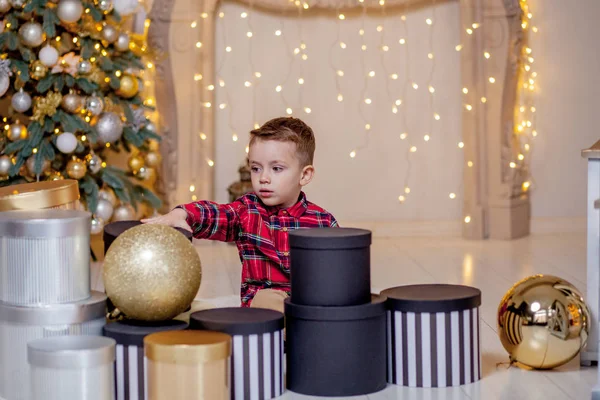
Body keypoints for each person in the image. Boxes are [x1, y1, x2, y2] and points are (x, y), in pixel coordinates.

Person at [142, 117, 338, 311]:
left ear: (304, 175)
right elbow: (215, 214)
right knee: (268, 300)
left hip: (308, 301)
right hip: (263, 306)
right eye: (255, 168)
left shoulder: (323, 221)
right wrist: (183, 214)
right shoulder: (246, 212)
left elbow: (339, 268)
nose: (263, 178)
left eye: (276, 168)